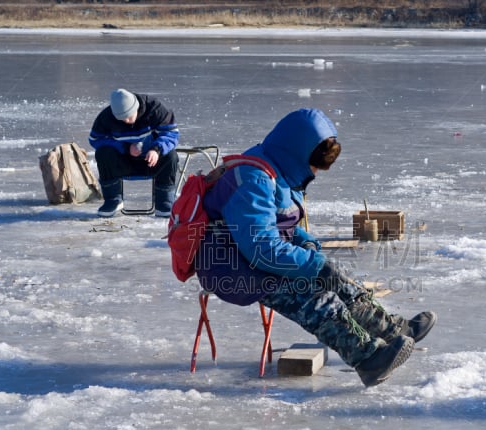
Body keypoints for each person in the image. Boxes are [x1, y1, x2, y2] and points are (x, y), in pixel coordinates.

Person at [195, 108, 436, 387]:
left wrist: (305, 243)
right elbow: (261, 246)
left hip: (250, 259)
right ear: (297, 153)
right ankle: (368, 359)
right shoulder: (253, 179)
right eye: (314, 165)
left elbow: (279, 224)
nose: (315, 173)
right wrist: (314, 266)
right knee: (315, 294)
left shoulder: (278, 171)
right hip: (229, 267)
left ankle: (392, 331)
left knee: (340, 281)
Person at [88, 88, 180, 218]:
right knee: (103, 153)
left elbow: (171, 133)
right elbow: (95, 139)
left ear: (136, 108)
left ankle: (164, 201)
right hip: (124, 163)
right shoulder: (106, 117)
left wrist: (156, 150)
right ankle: (113, 199)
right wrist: (125, 148)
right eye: (121, 118)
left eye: (129, 116)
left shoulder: (155, 109)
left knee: (171, 155)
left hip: (152, 162)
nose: (126, 121)